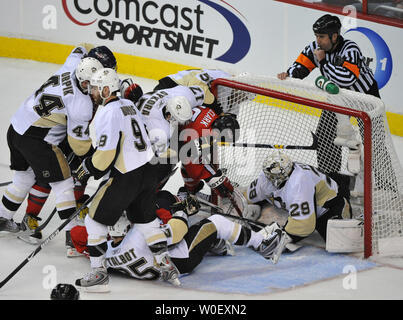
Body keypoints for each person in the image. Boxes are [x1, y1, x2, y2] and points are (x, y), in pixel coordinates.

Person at [72, 68, 189, 291]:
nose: (93, 92)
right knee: (146, 221)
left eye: (96, 88)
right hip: (147, 172)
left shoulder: (108, 112)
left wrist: (87, 168)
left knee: (94, 221)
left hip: (127, 175)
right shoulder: (130, 106)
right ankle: (166, 265)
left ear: (107, 89)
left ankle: (98, 276)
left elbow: (105, 155)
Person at [69, 190, 286, 289]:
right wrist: (181, 210)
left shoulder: (103, 253)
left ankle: (215, 244)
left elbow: (82, 241)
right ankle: (262, 242)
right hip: (181, 259)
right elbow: (177, 233)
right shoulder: (138, 234)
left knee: (187, 226)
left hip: (156, 267)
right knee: (216, 222)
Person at [0, 46, 102, 243]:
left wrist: (91, 53)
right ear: (86, 81)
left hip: (15, 129)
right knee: (63, 183)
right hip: (36, 141)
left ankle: (3, 217)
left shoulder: (71, 66)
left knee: (24, 177)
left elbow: (80, 47)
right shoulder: (82, 104)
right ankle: (72, 237)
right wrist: (96, 161)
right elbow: (78, 143)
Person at [19, 46, 118, 248]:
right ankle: (30, 216)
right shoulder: (82, 87)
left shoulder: (90, 76)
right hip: (57, 134)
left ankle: (78, 201)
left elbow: (82, 46)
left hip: (74, 132)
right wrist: (91, 156)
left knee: (80, 170)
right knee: (50, 176)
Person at [277, 14, 380, 174]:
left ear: (334, 36)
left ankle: (385, 184)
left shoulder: (350, 49)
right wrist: (289, 74)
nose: (318, 40)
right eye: (317, 36)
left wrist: (324, 62)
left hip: (365, 97)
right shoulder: (316, 49)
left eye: (322, 36)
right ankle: (330, 177)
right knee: (325, 135)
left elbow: (347, 79)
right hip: (338, 98)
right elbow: (300, 66)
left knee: (375, 142)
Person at [246, 151, 352, 248]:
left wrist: (283, 238)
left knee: (339, 242)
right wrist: (254, 206)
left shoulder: (299, 182)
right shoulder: (265, 178)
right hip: (307, 200)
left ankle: (348, 207)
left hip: (330, 204)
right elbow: (251, 195)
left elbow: (303, 225)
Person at [153, 68, 232, 114]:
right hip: (171, 86)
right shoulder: (224, 79)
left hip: (180, 88)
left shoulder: (231, 92)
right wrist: (218, 110)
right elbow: (197, 85)